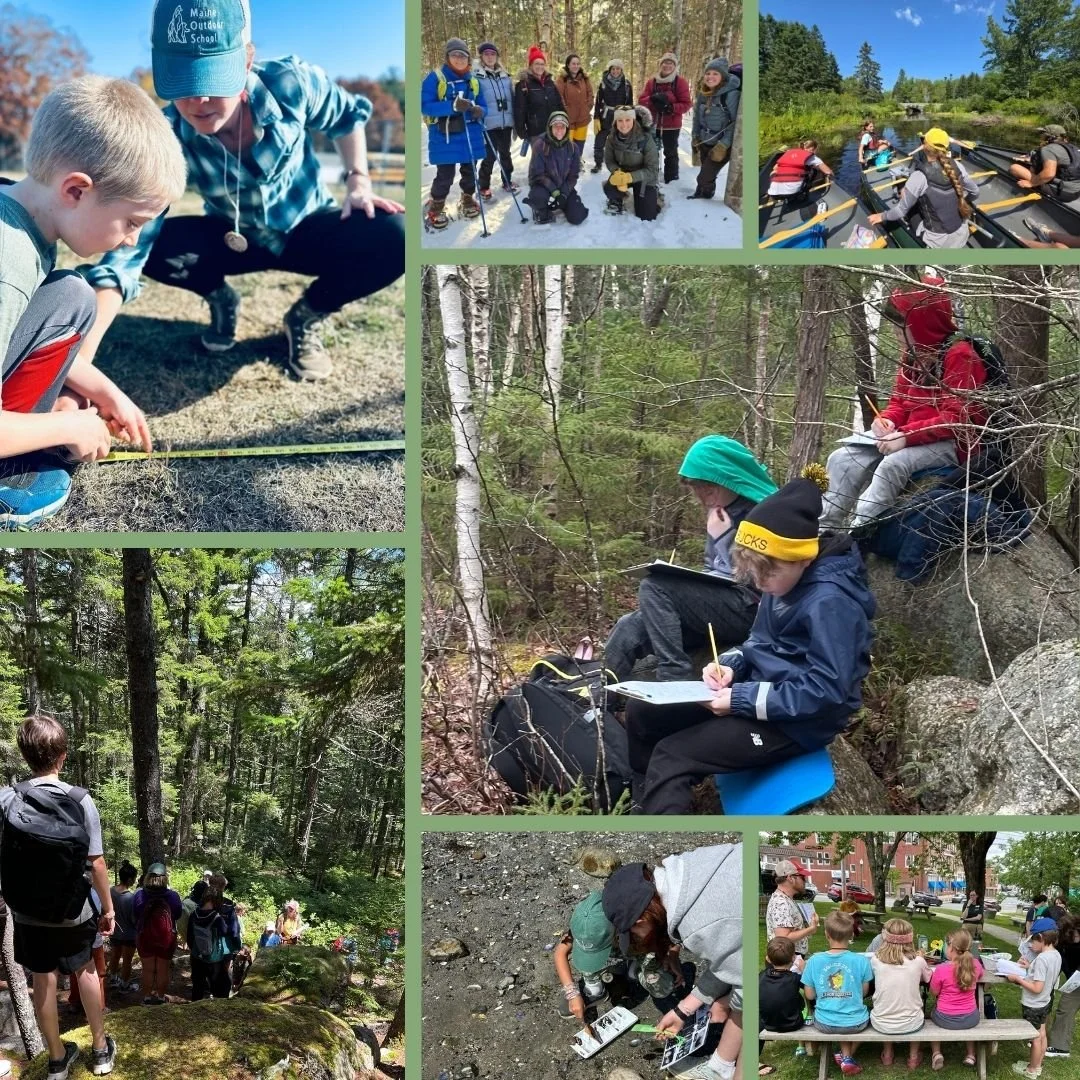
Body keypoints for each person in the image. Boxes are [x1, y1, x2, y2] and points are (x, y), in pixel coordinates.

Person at [81, 0, 404, 383]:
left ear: (246, 61)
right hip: (232, 235)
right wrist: (80, 362)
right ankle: (221, 297)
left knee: (396, 234)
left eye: (212, 79)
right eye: (182, 81)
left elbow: (347, 116)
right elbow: (128, 252)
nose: (197, 101)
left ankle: (307, 315)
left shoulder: (291, 83)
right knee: (151, 243)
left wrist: (358, 181)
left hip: (308, 226)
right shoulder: (166, 135)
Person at [627, 476, 875, 815]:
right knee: (643, 712)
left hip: (794, 723)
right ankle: (642, 802)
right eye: (753, 572)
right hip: (757, 695)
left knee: (673, 756)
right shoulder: (781, 584)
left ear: (803, 558)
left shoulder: (830, 603)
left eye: (767, 572)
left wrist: (740, 699)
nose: (759, 582)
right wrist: (729, 665)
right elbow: (757, 642)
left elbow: (826, 691)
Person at [0, 76, 183, 529]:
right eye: (132, 221)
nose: (133, 240)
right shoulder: (9, 262)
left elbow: (26, 325)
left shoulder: (22, 216)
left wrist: (105, 390)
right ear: (76, 191)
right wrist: (68, 427)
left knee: (73, 295)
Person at [821, 274, 988, 530]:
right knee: (841, 458)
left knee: (893, 465)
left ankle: (859, 531)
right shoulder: (912, 355)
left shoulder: (961, 355)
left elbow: (957, 419)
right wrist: (886, 420)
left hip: (950, 443)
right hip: (907, 435)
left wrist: (906, 436)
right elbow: (900, 401)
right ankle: (825, 530)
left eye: (902, 326)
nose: (895, 331)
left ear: (923, 322)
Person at [0, 714, 118, 1076]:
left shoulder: (7, 798)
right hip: (73, 910)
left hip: (27, 912)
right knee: (85, 971)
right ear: (63, 756)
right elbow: (96, 863)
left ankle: (56, 1059)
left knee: (43, 977)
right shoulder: (80, 800)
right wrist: (109, 910)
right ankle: (100, 1051)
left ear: (25, 755)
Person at [605, 435, 775, 684]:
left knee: (654, 585)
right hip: (725, 607)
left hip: (753, 610)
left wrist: (722, 538)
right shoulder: (721, 512)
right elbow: (713, 569)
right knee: (630, 625)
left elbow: (757, 580)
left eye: (708, 487)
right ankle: (599, 694)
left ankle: (674, 677)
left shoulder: (765, 513)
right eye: (696, 487)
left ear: (730, 479)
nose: (702, 495)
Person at [602, 847, 742, 1080]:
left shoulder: (699, 927)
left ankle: (721, 1069)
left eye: (633, 933)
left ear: (641, 920)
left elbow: (745, 981)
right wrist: (682, 1010)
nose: (637, 939)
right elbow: (729, 957)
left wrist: (726, 1004)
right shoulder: (687, 866)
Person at [553, 889, 694, 1022]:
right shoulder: (582, 927)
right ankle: (595, 989)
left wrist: (672, 954)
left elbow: (670, 932)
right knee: (586, 961)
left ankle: (635, 970)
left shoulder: (638, 919)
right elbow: (560, 953)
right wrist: (572, 993)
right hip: (610, 957)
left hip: (636, 951)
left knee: (662, 987)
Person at [866, 128, 978, 248]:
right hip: (962, 234)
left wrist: (881, 216)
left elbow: (900, 211)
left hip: (938, 243)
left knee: (911, 209)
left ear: (924, 147)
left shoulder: (919, 176)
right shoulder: (959, 166)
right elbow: (975, 192)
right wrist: (962, 201)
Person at [423, 38, 486, 231]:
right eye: (454, 55)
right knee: (445, 174)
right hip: (445, 135)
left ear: (468, 59)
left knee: (470, 170)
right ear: (447, 57)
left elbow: (483, 104)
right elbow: (425, 106)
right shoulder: (435, 78)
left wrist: (480, 111)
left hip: (470, 133)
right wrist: (451, 106)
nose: (459, 59)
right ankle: (437, 204)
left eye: (463, 56)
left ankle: (467, 198)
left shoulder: (473, 80)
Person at [801, 910, 873, 1076]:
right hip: (856, 1022)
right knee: (867, 1017)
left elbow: (810, 995)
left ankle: (845, 1056)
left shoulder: (814, 961)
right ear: (851, 935)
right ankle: (846, 1056)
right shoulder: (862, 961)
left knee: (842, 1018)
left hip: (824, 1022)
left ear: (826, 934)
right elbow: (864, 992)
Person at [869, 918, 932, 1067]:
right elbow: (928, 978)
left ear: (885, 938)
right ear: (910, 939)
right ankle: (913, 1057)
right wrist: (921, 959)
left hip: (881, 1022)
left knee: (887, 1008)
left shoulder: (875, 960)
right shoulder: (918, 961)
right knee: (916, 1012)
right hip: (911, 1023)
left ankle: (888, 1054)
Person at [1006, 917, 1062, 1079]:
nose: (1030, 945)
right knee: (1042, 1033)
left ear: (1042, 938)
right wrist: (1030, 967)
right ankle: (1037, 1065)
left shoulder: (1042, 958)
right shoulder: (1055, 955)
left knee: (1035, 1037)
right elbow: (1045, 975)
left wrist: (1018, 979)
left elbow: (1037, 988)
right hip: (1045, 1002)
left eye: (1033, 940)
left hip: (1034, 1004)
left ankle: (1031, 1070)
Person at [928, 928, 983, 1070]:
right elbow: (980, 974)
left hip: (944, 1018)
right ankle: (970, 1055)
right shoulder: (976, 965)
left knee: (932, 1012)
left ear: (950, 947)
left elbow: (934, 992)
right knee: (969, 1016)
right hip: (971, 1018)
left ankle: (936, 1053)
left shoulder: (941, 969)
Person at [689, 58, 740, 200]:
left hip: (721, 144)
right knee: (705, 172)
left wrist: (723, 145)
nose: (710, 77)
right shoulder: (703, 93)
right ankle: (701, 194)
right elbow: (697, 118)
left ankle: (707, 194)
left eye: (715, 74)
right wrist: (695, 136)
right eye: (708, 73)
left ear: (723, 76)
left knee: (704, 177)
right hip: (704, 140)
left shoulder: (731, 94)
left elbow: (735, 123)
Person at [526, 111, 588, 226]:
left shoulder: (573, 148)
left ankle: (565, 204)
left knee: (577, 217)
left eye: (562, 126)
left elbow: (573, 175)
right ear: (550, 127)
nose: (559, 130)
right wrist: (554, 191)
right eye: (555, 126)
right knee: (537, 197)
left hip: (563, 185)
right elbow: (538, 174)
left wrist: (563, 194)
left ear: (567, 128)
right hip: (543, 185)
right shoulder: (540, 145)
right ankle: (541, 209)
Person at [133, 861, 182, 1004]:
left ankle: (147, 998)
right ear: (165, 878)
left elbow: (135, 914)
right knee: (163, 969)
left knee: (147, 969)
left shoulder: (140, 895)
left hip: (144, 937)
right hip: (167, 938)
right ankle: (161, 998)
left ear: (148, 877)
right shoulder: (173, 896)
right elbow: (178, 914)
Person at [639, 53, 692, 183]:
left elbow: (686, 104)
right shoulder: (652, 82)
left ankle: (671, 178)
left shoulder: (680, 82)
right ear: (660, 65)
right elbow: (641, 100)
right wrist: (652, 99)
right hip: (653, 123)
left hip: (672, 125)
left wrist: (670, 107)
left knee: (670, 152)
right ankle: (651, 175)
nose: (667, 65)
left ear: (675, 66)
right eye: (664, 62)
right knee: (651, 151)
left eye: (670, 63)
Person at [474, 42, 517, 200]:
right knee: (489, 157)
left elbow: (512, 97)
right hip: (488, 124)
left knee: (505, 154)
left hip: (505, 122)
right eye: (486, 54)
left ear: (497, 56)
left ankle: (507, 181)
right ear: (481, 56)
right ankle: (484, 186)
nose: (490, 57)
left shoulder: (505, 76)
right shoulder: (476, 76)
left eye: (493, 54)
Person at [602, 105, 660, 220]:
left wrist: (630, 177)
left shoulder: (645, 139)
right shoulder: (611, 138)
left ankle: (653, 196)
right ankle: (617, 199)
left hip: (644, 177)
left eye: (628, 120)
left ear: (633, 120)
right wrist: (616, 171)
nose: (624, 124)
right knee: (610, 187)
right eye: (620, 120)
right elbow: (609, 160)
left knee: (646, 216)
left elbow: (652, 170)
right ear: (615, 122)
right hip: (622, 173)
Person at [188, 881, 242, 1000]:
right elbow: (226, 931)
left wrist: (195, 949)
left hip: (197, 955)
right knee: (221, 988)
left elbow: (189, 936)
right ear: (217, 901)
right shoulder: (217, 918)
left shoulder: (194, 914)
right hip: (214, 958)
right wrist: (236, 947)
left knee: (197, 986)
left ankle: (194, 1007)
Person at [760, 936, 811, 1053]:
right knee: (804, 994)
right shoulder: (795, 978)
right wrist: (804, 970)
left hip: (767, 1023)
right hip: (793, 1023)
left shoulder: (761, 977)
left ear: (768, 959)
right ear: (793, 958)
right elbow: (811, 989)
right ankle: (811, 1016)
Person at [765, 860, 819, 963]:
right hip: (785, 962)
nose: (805, 881)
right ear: (790, 878)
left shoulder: (785, 898)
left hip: (789, 960)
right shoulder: (781, 903)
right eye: (802, 877)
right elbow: (783, 939)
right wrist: (811, 929)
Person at [1009, 124, 1080, 202]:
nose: (1041, 136)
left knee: (1015, 168)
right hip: (1077, 191)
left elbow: (1049, 174)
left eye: (1043, 133)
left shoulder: (1048, 149)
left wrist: (1031, 183)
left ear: (1049, 136)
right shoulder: (1073, 148)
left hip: (1062, 192)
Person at [1045, 913, 1080, 1058]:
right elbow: (1057, 962)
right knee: (1065, 1009)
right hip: (1075, 981)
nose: (1076, 938)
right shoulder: (1062, 943)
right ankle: (1060, 1047)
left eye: (1077, 934)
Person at [514, 47, 563, 146]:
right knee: (540, 156)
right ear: (530, 65)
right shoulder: (523, 85)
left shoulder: (550, 83)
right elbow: (519, 110)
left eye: (542, 64)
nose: (540, 66)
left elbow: (559, 103)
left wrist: (564, 119)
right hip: (537, 132)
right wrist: (521, 131)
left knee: (555, 155)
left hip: (554, 129)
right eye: (536, 64)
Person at [592, 60, 633, 173]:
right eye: (613, 69)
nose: (615, 71)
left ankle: (621, 165)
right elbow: (598, 102)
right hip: (606, 115)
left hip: (621, 116)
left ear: (621, 70)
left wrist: (630, 118)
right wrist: (596, 117)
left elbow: (630, 103)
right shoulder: (603, 83)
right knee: (600, 140)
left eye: (618, 68)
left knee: (621, 141)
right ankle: (598, 163)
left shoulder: (626, 85)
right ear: (609, 70)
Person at [106, 862, 138, 992]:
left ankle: (113, 979)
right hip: (129, 934)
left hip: (115, 931)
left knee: (115, 955)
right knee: (127, 961)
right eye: (134, 878)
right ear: (129, 879)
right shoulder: (131, 898)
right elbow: (134, 919)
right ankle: (124, 985)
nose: (135, 881)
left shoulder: (110, 891)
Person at [554, 54, 593, 159]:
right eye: (573, 64)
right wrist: (566, 110)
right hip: (568, 120)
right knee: (567, 147)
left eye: (578, 64)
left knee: (579, 145)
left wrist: (587, 107)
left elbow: (590, 94)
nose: (576, 66)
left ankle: (577, 162)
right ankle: (566, 164)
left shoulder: (584, 78)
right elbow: (559, 97)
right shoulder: (562, 79)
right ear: (568, 65)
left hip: (582, 118)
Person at [767, 140, 835, 199]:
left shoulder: (789, 152)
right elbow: (828, 172)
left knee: (775, 172)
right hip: (792, 192)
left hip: (773, 194)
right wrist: (833, 178)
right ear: (813, 149)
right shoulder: (813, 157)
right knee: (814, 170)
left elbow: (774, 168)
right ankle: (802, 195)